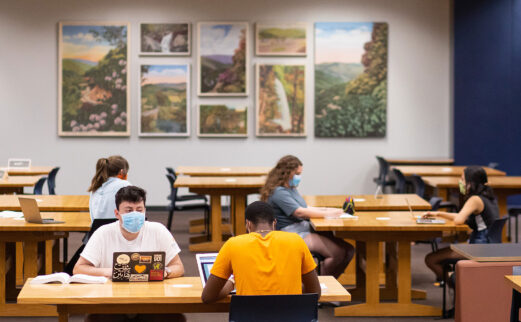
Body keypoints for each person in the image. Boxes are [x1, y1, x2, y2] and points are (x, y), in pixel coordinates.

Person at [74, 186, 185, 322]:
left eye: (139, 210)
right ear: (117, 213)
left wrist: (165, 271)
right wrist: (113, 272)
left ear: (145, 211)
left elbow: (178, 267)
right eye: (128, 210)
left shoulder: (158, 230)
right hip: (112, 302)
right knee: (94, 319)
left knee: (176, 318)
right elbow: (78, 269)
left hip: (151, 302)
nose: (135, 214)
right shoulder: (103, 233)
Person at [201, 201, 321, 303]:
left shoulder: (233, 244)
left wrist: (232, 283)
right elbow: (315, 292)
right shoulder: (296, 241)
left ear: (248, 224)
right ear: (274, 222)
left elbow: (208, 296)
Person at [260, 155, 354, 278]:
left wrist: (333, 210)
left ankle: (330, 283)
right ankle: (321, 287)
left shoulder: (291, 188)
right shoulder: (279, 192)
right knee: (338, 253)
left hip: (303, 228)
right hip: (291, 234)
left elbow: (306, 207)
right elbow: (299, 212)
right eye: (297, 173)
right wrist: (329, 214)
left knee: (349, 250)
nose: (299, 177)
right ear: (287, 173)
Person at [423, 166, 499, 281]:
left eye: (462, 179)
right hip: (488, 245)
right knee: (439, 258)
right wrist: (438, 214)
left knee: (431, 259)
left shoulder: (475, 199)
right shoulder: (488, 197)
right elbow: (462, 217)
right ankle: (458, 282)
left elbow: (459, 220)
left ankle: (458, 287)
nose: (460, 182)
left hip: (478, 248)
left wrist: (462, 193)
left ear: (471, 183)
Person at [88, 155, 131, 221]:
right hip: (117, 228)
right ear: (121, 172)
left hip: (96, 229)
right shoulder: (125, 185)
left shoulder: (95, 187)